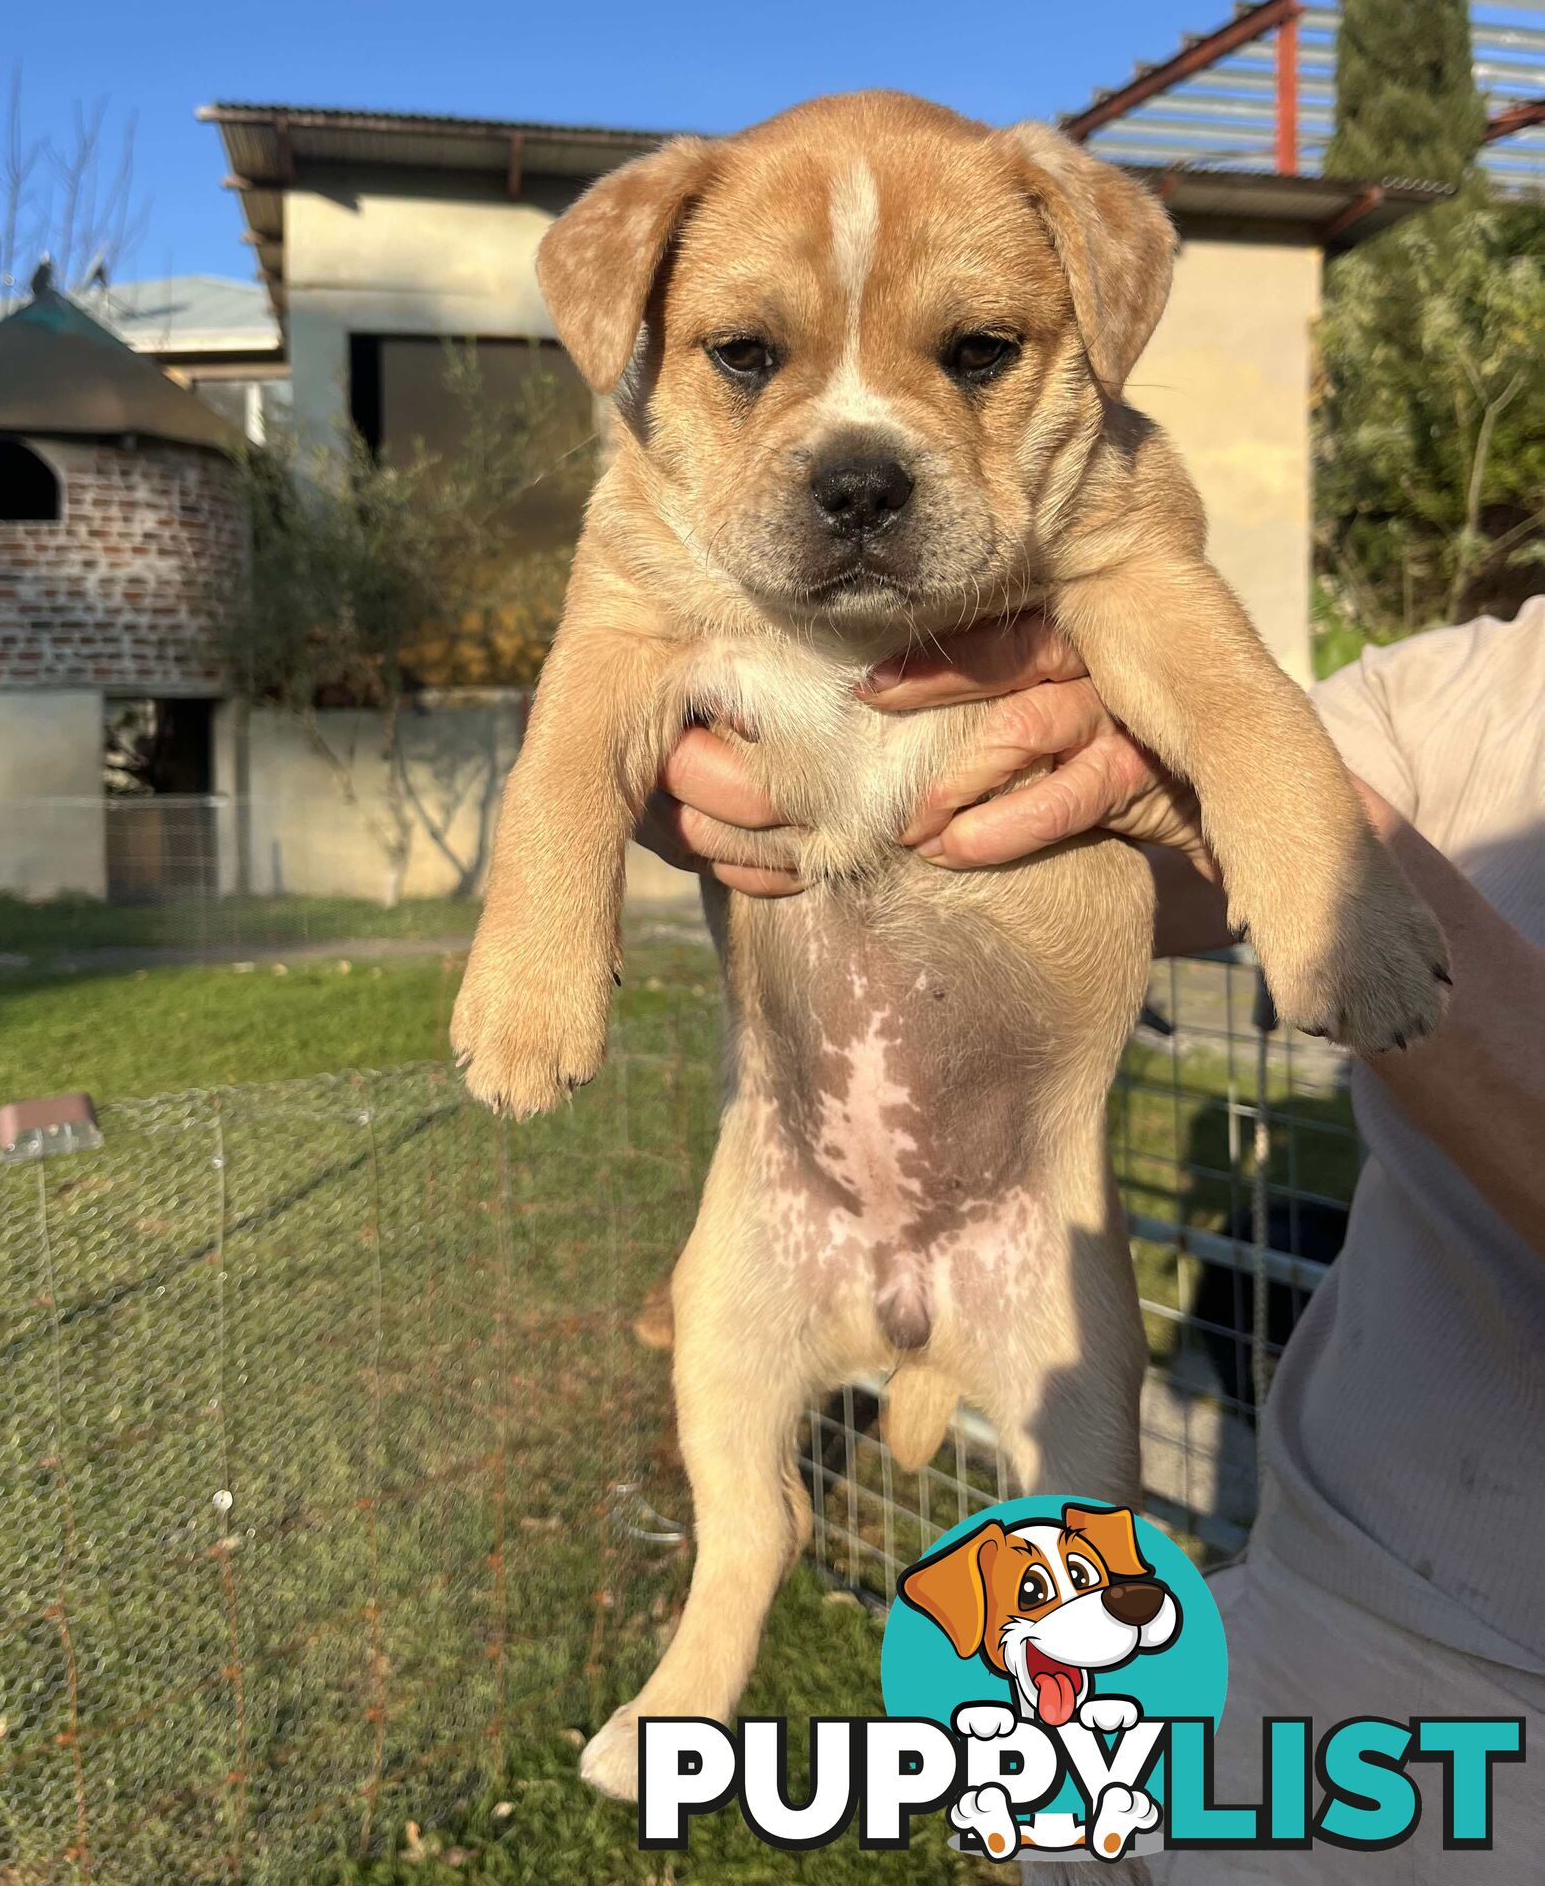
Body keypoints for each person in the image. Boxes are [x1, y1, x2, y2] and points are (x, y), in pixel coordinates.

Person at [638, 597, 1545, 1881]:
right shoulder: (1474, 680)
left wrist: (1273, 800)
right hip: (1301, 1588)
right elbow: (1103, 848)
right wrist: (720, 763)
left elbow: (1254, 806)